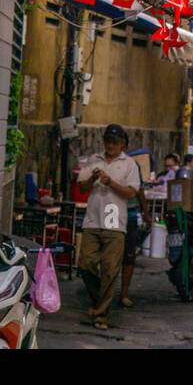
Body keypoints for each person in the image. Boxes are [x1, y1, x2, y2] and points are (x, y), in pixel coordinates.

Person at [76, 124, 140, 329]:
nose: (110, 145)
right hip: (93, 220)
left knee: (110, 270)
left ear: (122, 143)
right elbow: (81, 187)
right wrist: (93, 178)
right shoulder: (93, 160)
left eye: (114, 141)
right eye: (107, 141)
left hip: (114, 222)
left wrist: (110, 182)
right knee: (85, 264)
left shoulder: (129, 164)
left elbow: (131, 193)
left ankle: (101, 314)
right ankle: (99, 301)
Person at [119, 134, 148, 309]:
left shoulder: (132, 166)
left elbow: (140, 190)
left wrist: (146, 212)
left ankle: (124, 293)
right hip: (112, 214)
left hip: (129, 214)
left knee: (128, 256)